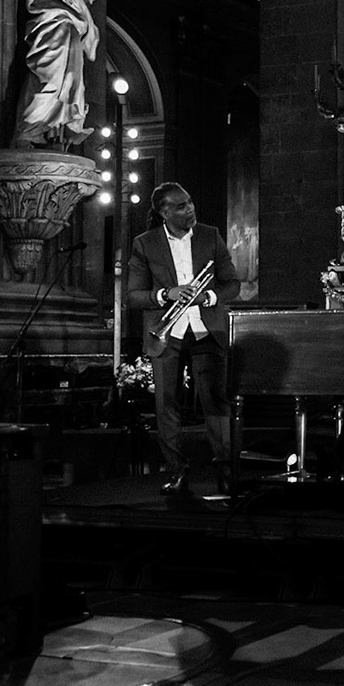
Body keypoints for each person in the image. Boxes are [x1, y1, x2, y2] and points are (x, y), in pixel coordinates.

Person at [126, 183, 238, 495]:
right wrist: (166, 294)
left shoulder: (209, 234)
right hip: (167, 331)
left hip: (206, 329)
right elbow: (133, 296)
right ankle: (176, 471)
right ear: (164, 211)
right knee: (167, 405)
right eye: (180, 206)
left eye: (189, 203)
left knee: (215, 401)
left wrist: (210, 297)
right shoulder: (144, 243)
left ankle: (227, 470)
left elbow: (233, 284)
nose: (189, 209)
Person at [13, 0, 105, 150]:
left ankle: (55, 133)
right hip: (54, 32)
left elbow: (72, 1)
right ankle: (27, 132)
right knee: (50, 80)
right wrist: (72, 12)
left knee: (71, 83)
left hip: (70, 34)